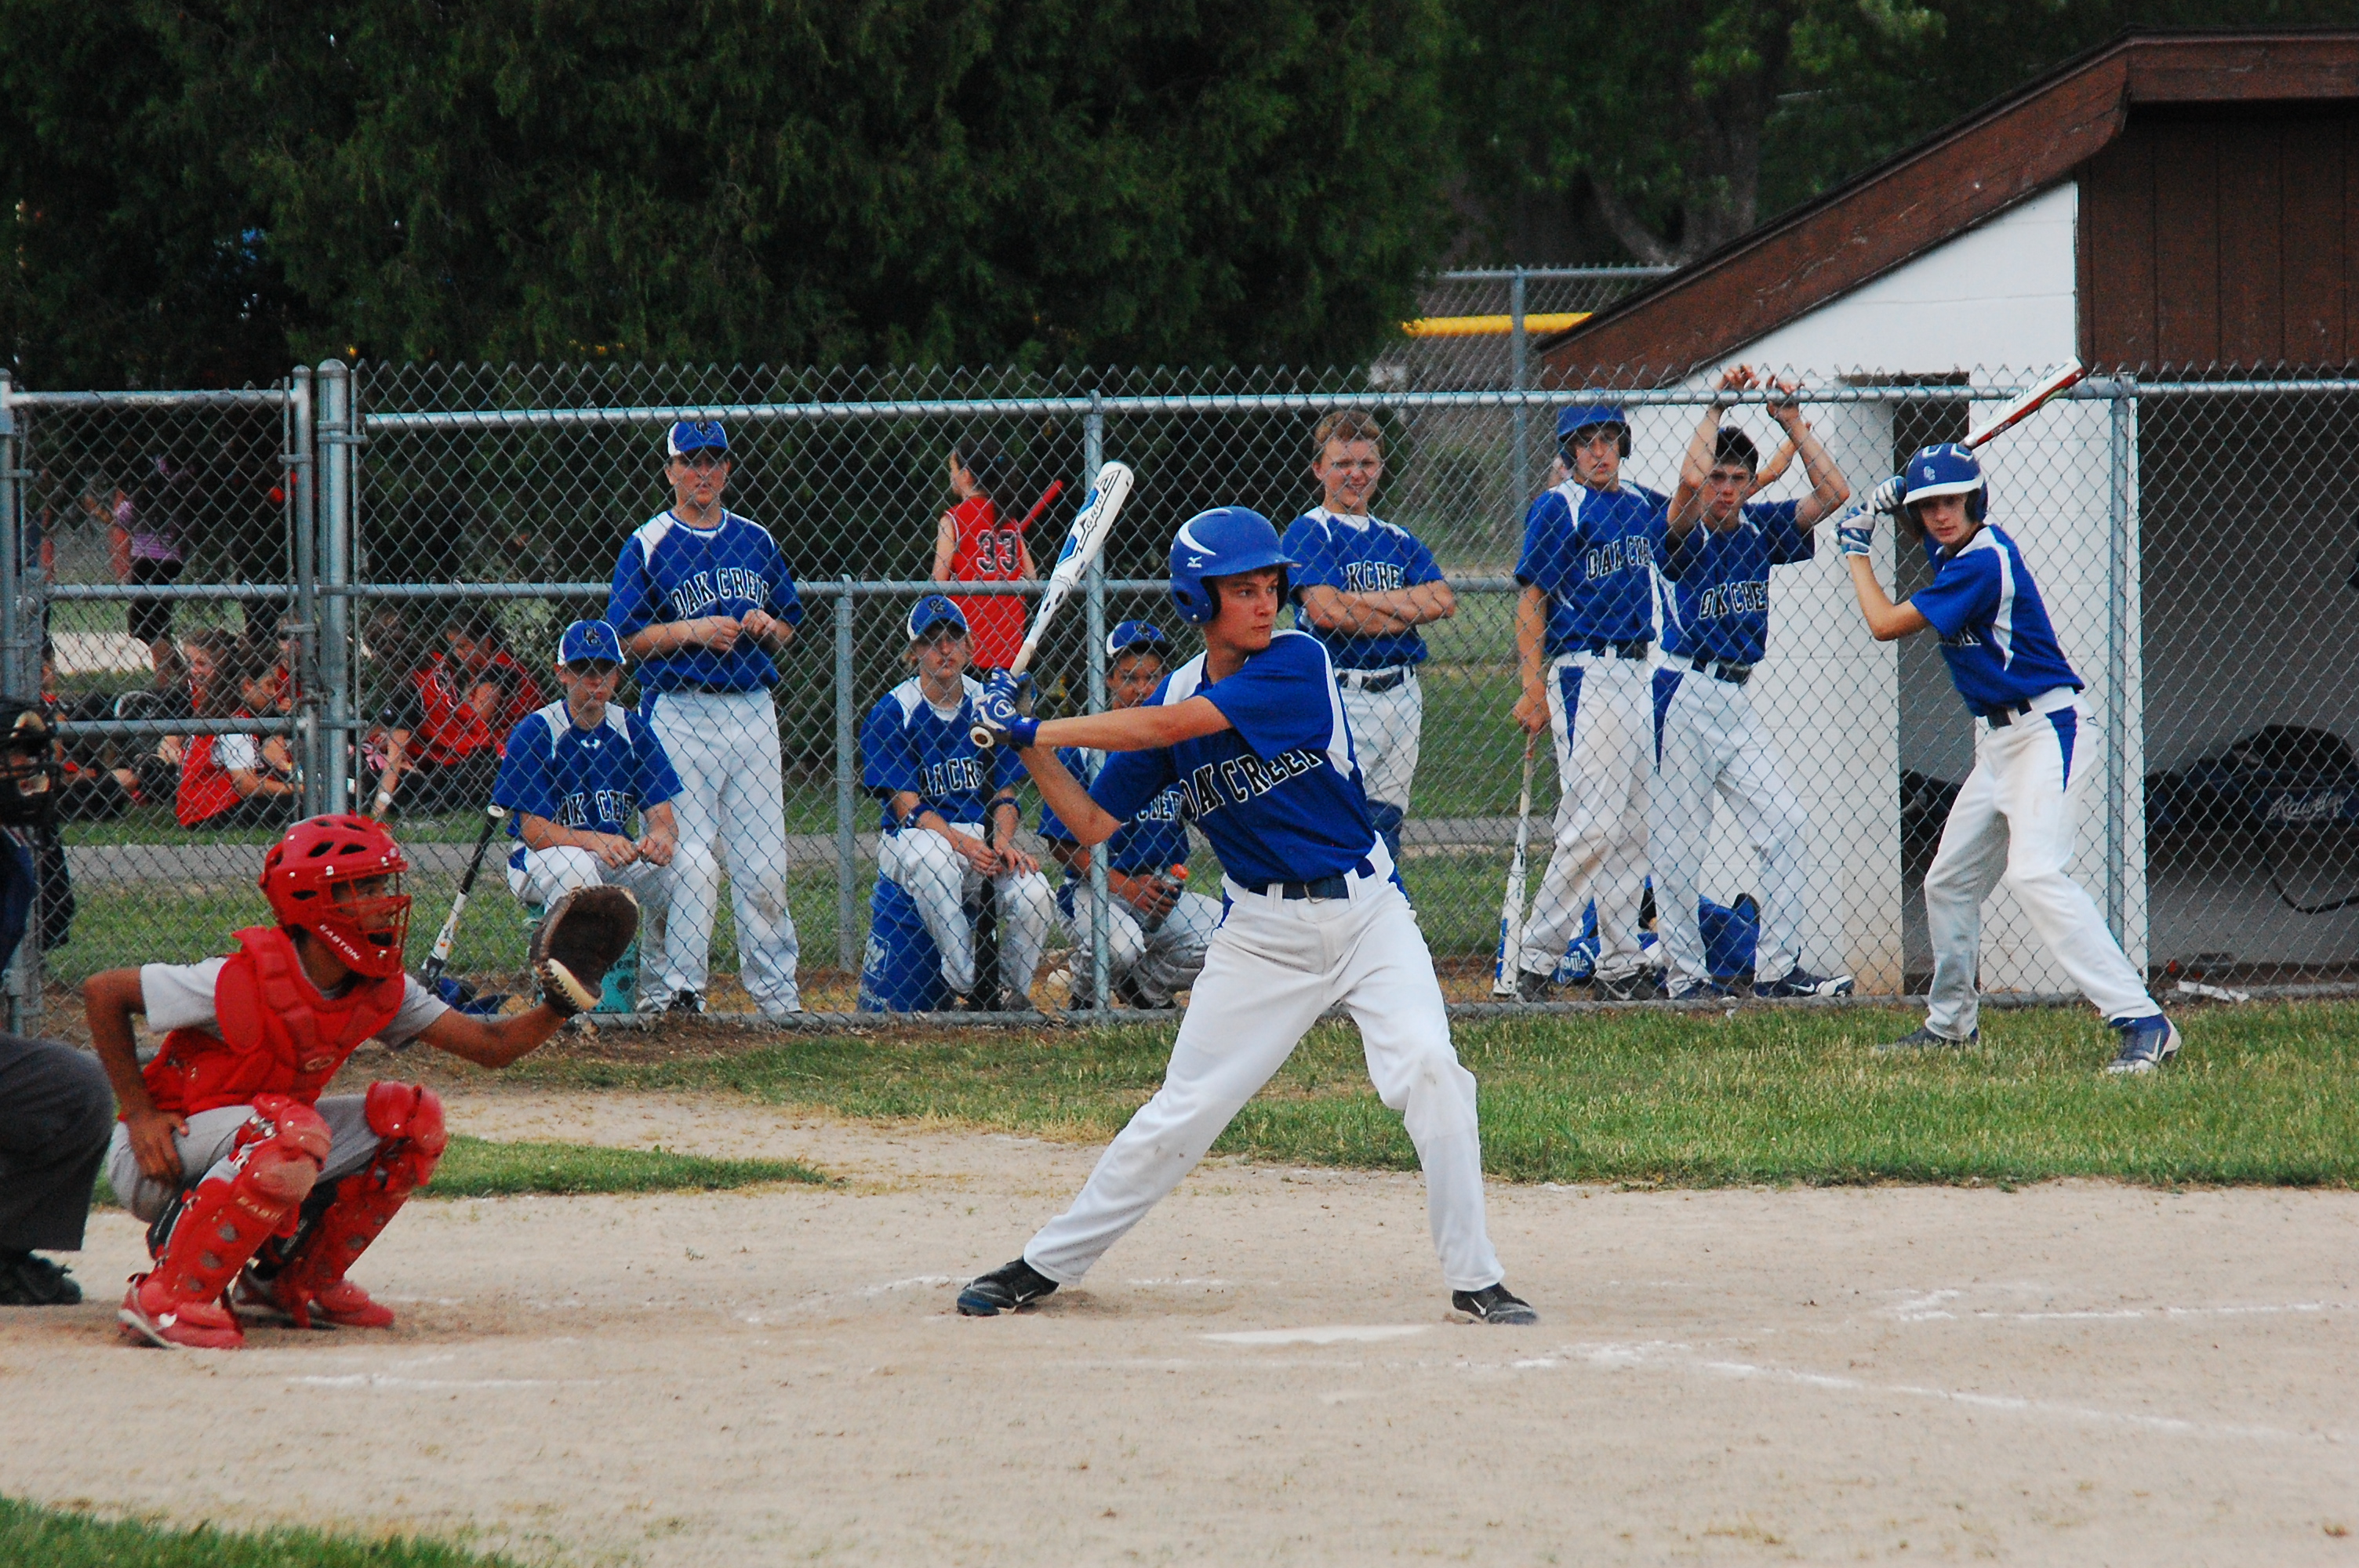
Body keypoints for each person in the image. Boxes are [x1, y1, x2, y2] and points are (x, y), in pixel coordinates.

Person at [959, 507, 1537, 1326]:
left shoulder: (1298, 661)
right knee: (1182, 1110)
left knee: (1431, 1070)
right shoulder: (1175, 688)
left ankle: (1476, 1278)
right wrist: (1027, 747)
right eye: (1243, 590)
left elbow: (1169, 726)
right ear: (1198, 601)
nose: (1267, 602)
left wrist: (1031, 722)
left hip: (1368, 916)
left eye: (1271, 585)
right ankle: (1045, 1263)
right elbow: (1088, 824)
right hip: (1261, 937)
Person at [87, 814, 583, 1349]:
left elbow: (492, 1045)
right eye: (364, 889)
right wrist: (139, 1112)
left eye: (383, 885)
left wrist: (563, 1002)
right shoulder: (240, 978)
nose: (385, 901)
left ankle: (290, 1279)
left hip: (261, 1144)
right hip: (159, 1154)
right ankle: (167, 1297)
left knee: (411, 1121)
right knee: (291, 1135)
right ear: (310, 901)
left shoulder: (377, 985)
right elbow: (103, 992)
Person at [1838, 443, 2180, 1074]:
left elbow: (1884, 624)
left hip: (2048, 730)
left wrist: (1856, 549)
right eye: (1930, 507)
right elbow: (1932, 543)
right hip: (2000, 744)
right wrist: (1897, 504)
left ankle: (2143, 1021)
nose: (1942, 515)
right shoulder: (1955, 552)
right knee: (1948, 882)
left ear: (1977, 501)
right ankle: (1951, 1025)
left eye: (1953, 501)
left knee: (2034, 873)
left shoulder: (1982, 561)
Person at [1652, 367, 1855, 1000]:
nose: (1725, 488)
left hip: (1736, 699)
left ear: (1750, 481)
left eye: (1738, 478)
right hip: (1684, 692)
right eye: (1720, 476)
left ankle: (1775, 972)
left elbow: (1835, 492)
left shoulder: (1761, 527)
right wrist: (1716, 407)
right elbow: (1688, 483)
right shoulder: (1683, 532)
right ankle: (1686, 978)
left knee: (1785, 822)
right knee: (1681, 843)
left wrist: (1792, 424)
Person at [607, 420, 805, 1018]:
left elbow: (789, 623)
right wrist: (692, 631)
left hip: (751, 710)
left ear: (728, 469)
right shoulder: (648, 542)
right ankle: (672, 992)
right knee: (683, 859)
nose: (703, 472)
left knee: (764, 865)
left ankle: (778, 996)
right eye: (690, 460)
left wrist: (768, 628)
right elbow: (625, 638)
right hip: (680, 712)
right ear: (670, 470)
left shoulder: (755, 539)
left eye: (713, 460)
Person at [1508, 405, 1665, 1001]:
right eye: (1586, 442)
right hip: (1587, 671)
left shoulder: (1640, 504)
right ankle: (1534, 960)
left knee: (1633, 828)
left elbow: (1698, 504)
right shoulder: (1560, 506)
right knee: (1591, 825)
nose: (1599, 451)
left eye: (1609, 440)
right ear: (1569, 452)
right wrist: (1533, 687)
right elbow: (1532, 599)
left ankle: (1621, 965)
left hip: (1638, 670)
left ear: (1623, 445)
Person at [857, 596, 1052, 1013]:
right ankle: (971, 982)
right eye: (931, 641)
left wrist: (1002, 841)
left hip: (980, 838)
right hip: (915, 839)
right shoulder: (893, 711)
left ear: (970, 645)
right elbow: (907, 808)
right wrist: (965, 845)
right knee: (935, 860)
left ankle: (1007, 996)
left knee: (1033, 890)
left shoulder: (989, 706)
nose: (944, 649)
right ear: (914, 653)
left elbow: (1004, 795)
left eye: (953, 638)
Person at [1280, 409, 1456, 869]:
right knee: (1335, 820)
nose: (1356, 474)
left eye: (1367, 463)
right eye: (1342, 463)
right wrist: (1403, 606)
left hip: (1403, 694)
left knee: (1386, 824)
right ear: (1318, 469)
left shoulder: (1397, 538)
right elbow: (1327, 612)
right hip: (1341, 693)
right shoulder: (1309, 531)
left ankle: (1380, 905)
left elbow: (1442, 601)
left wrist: (1359, 602)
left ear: (1380, 468)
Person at [492, 620, 688, 1014]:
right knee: (576, 864)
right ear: (561, 673)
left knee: (696, 865)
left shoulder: (632, 729)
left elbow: (663, 817)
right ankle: (566, 1005)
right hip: (541, 860)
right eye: (583, 668)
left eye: (605, 668)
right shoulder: (538, 730)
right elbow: (534, 831)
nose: (595, 680)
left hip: (612, 857)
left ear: (618, 674)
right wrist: (596, 840)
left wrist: (661, 837)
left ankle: (678, 996)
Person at [1037, 621, 1220, 1010]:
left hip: (1161, 890)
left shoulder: (1177, 745)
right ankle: (1085, 1001)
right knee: (1120, 947)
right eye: (1129, 677)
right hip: (1095, 890)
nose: (1142, 688)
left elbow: (1206, 814)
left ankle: (1145, 990)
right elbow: (1060, 843)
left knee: (1225, 935)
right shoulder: (1084, 748)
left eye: (1153, 677)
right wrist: (1125, 887)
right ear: (1109, 680)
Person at [0, 699, 114, 1307]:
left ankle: (4, 1249)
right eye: (11, 755)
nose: (25, 768)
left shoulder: (15, 852)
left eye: (29, 755)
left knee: (73, 1089)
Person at [370, 609, 544, 818]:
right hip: (473, 754)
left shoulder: (498, 671)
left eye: (463, 646)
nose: (458, 654)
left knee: (379, 773)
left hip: (493, 755)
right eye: (455, 647)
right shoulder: (436, 661)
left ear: (486, 643)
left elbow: (478, 718)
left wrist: (377, 813)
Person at [929, 436, 1035, 673]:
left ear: (966, 475)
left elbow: (938, 581)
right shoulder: (1007, 518)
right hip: (1011, 644)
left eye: (952, 469)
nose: (950, 476)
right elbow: (1032, 576)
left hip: (969, 645)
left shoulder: (953, 519)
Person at [176, 638, 302, 830]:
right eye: (269, 685)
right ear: (248, 685)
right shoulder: (236, 720)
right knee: (302, 802)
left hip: (213, 806)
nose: (274, 693)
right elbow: (245, 784)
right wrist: (297, 789)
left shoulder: (235, 712)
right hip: (212, 812)